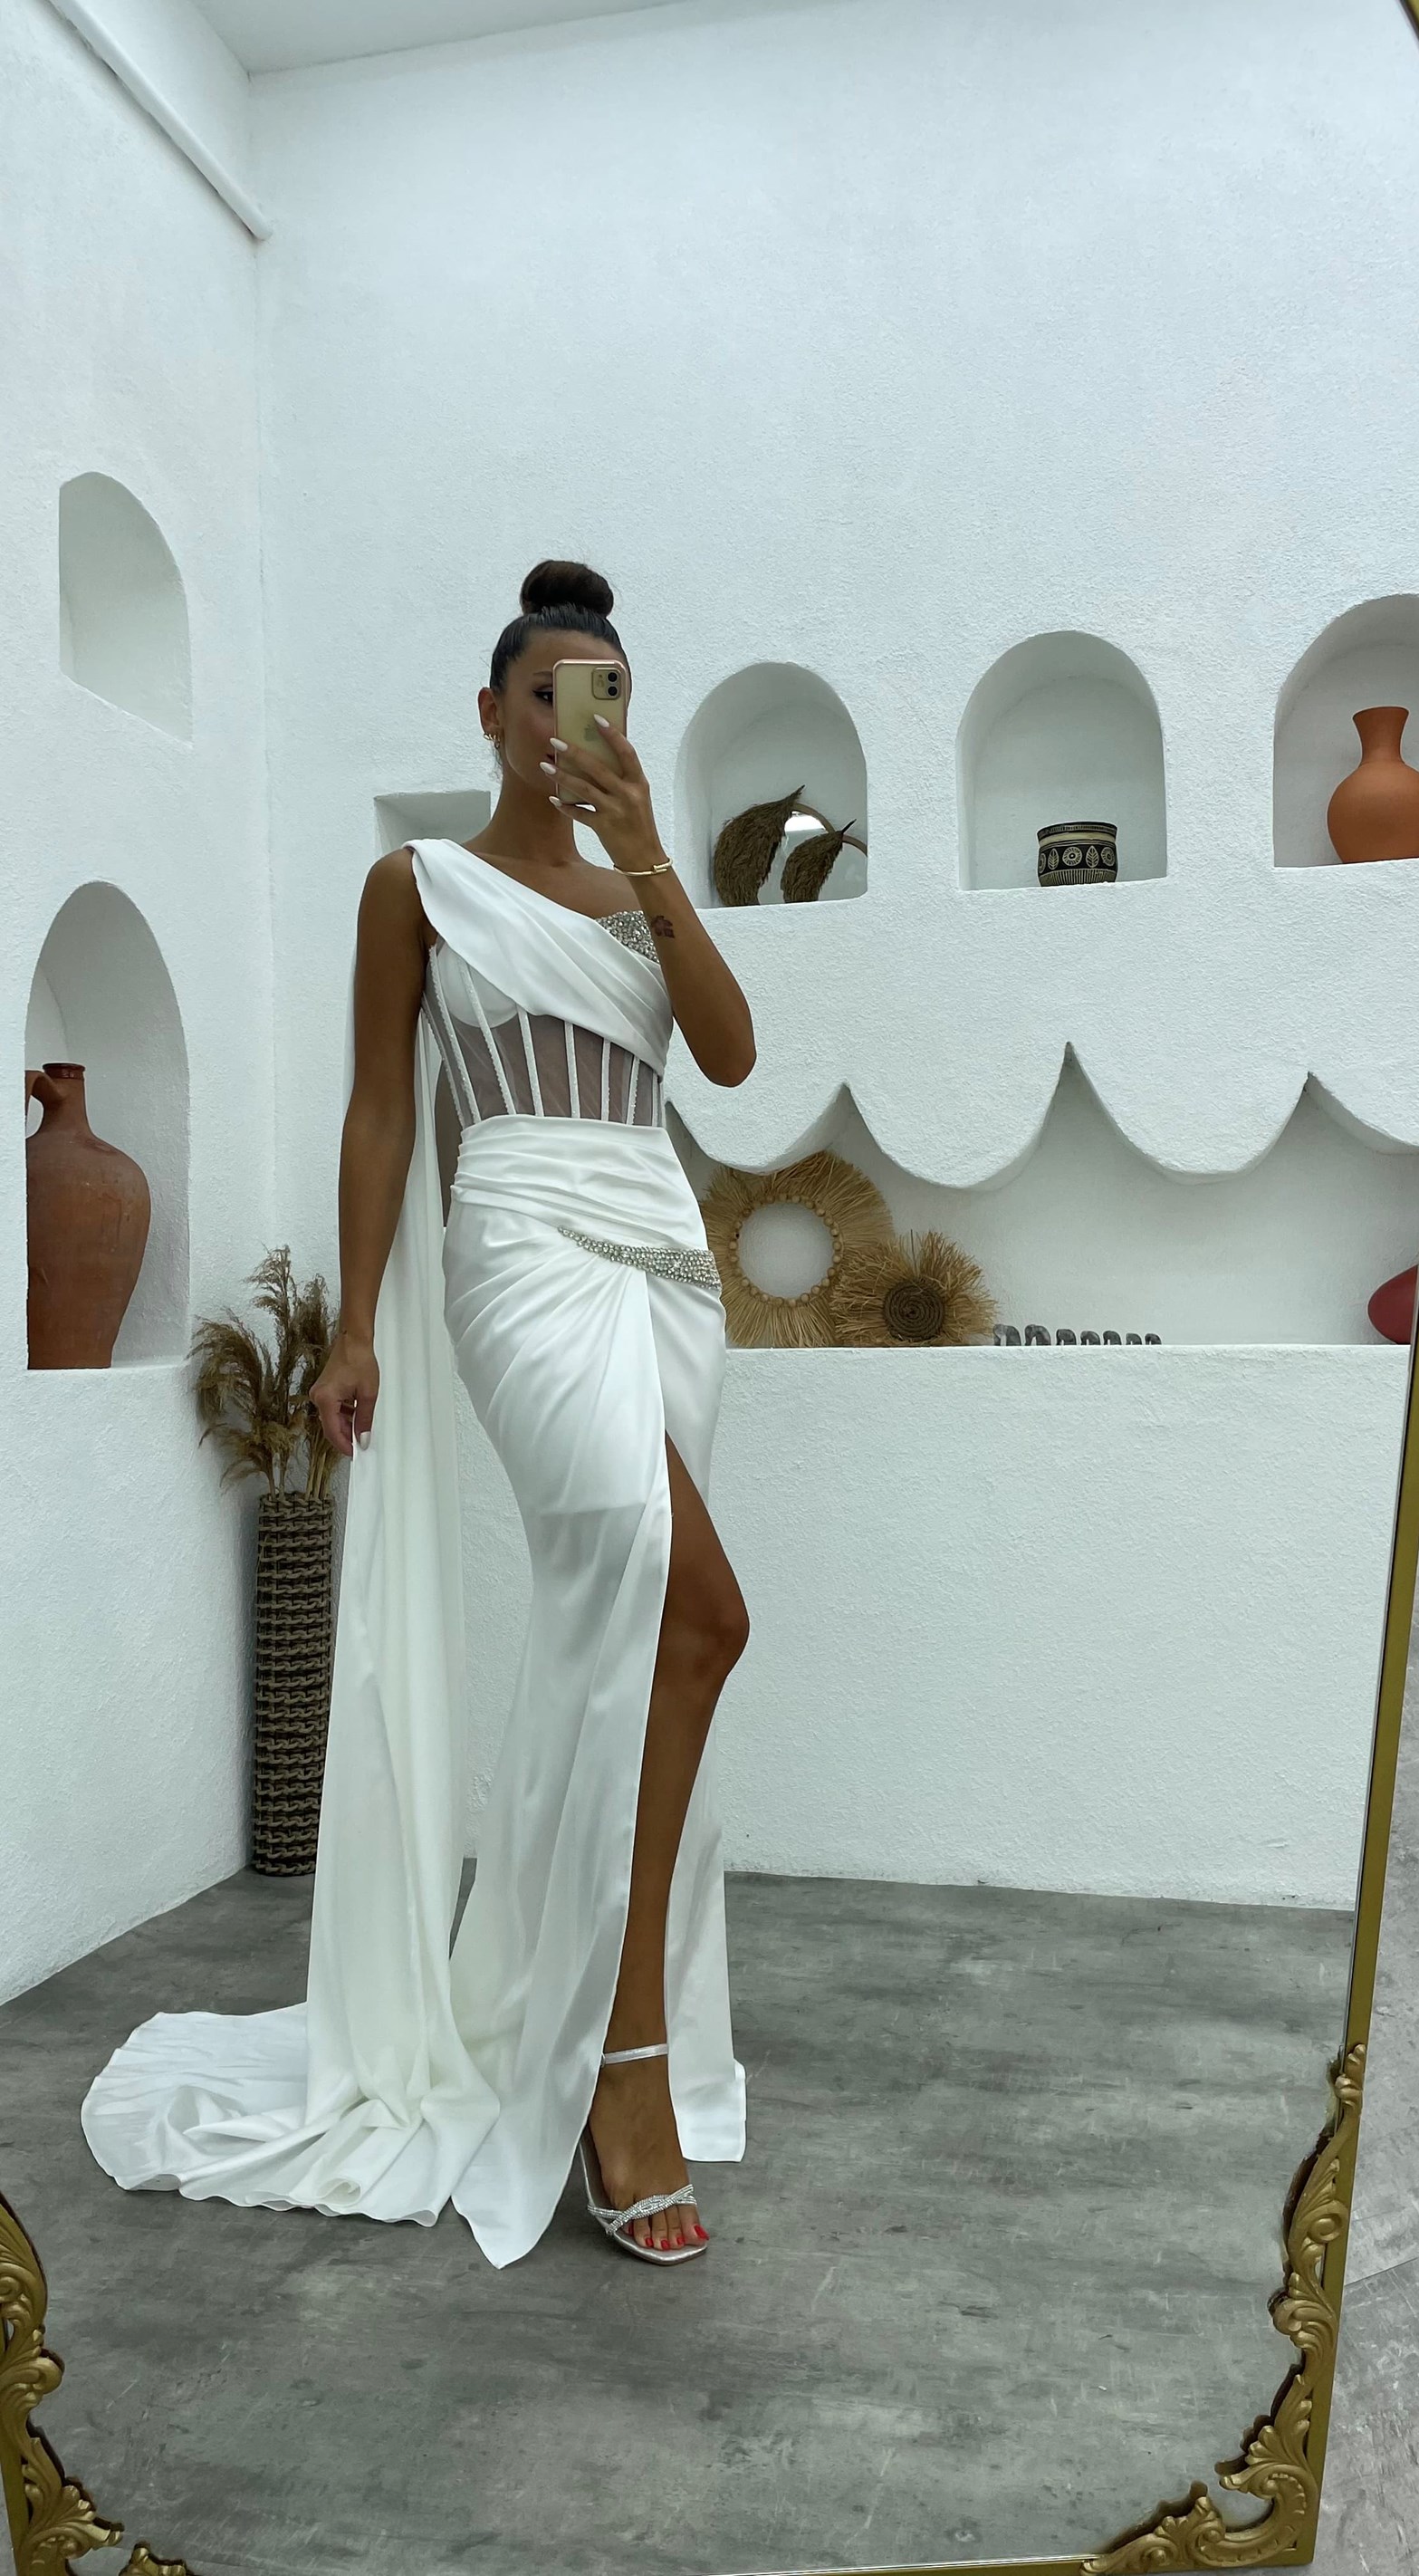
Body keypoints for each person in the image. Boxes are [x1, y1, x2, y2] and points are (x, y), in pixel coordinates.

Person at [80, 560, 756, 2269]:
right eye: (549, 693)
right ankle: (621, 2058)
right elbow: (382, 1111)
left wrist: (652, 855)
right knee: (692, 1607)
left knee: (652, 1636)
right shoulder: (420, 884)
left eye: (605, 695)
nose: (575, 722)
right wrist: (359, 1322)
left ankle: (597, 2006)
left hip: (664, 1257)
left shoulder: (633, 892)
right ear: (492, 712)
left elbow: (733, 1057)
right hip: (520, 1247)